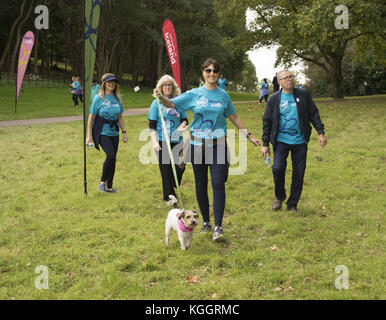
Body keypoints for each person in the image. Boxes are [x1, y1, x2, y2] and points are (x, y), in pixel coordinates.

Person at [155, 58, 260, 241]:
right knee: (201, 184)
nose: (212, 74)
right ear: (203, 73)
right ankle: (205, 222)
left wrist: (249, 135)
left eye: (215, 71)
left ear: (219, 75)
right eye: (208, 70)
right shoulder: (194, 94)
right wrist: (161, 97)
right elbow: (172, 104)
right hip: (197, 146)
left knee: (218, 183)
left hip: (218, 145)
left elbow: (234, 116)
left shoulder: (223, 96)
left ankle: (218, 227)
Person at [261, 69, 327, 211]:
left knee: (299, 172)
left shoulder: (303, 95)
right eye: (285, 78)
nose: (290, 79)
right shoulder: (274, 99)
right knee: (278, 169)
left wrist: (320, 132)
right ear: (279, 82)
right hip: (281, 141)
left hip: (300, 141)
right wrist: (265, 144)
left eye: (291, 76)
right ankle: (279, 196)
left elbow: (313, 113)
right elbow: (267, 121)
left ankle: (292, 204)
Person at [148, 75, 189, 202]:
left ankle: (172, 184)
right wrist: (155, 142)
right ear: (160, 87)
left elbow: (185, 119)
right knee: (165, 168)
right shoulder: (156, 103)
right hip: (161, 139)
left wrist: (182, 126)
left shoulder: (178, 102)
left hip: (177, 138)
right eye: (165, 85)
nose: (167, 87)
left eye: (169, 84)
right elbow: (152, 125)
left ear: (173, 87)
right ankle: (169, 197)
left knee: (180, 166)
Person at [86, 73, 128, 193]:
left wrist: (124, 133)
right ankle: (102, 183)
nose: (111, 84)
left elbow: (120, 117)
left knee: (113, 159)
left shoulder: (118, 98)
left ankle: (109, 187)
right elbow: (91, 118)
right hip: (101, 131)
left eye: (113, 82)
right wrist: (88, 137)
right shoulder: (98, 98)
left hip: (114, 132)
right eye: (109, 82)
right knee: (110, 155)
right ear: (104, 84)